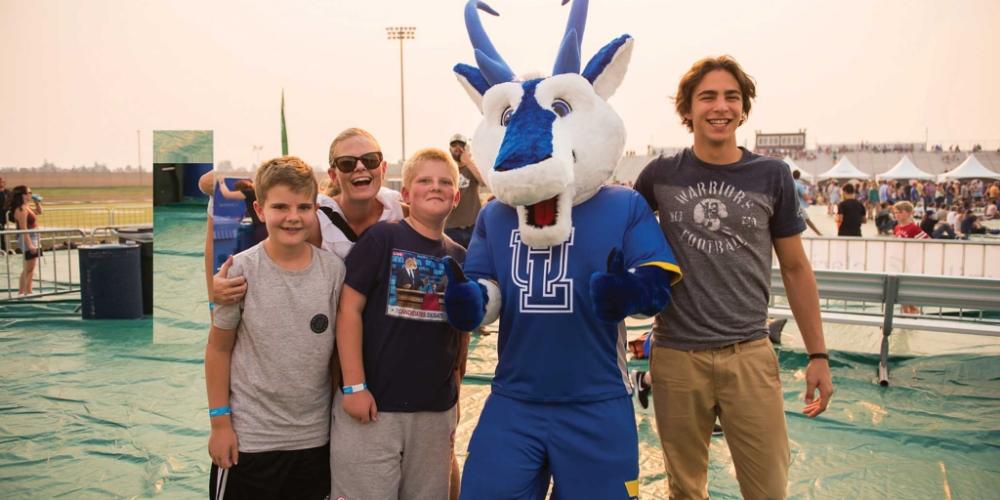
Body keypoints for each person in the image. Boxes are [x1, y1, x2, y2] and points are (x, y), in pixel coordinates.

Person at [634, 55, 833, 499]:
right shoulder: (660, 176)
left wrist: (818, 354)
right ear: (687, 109)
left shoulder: (772, 175)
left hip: (749, 354)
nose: (719, 106)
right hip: (677, 356)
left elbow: (796, 269)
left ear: (744, 109)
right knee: (685, 490)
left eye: (731, 97)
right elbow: (620, 237)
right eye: (707, 97)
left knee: (767, 488)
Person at [330, 148, 468, 500]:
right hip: (375, 408)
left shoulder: (458, 256)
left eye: (444, 182)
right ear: (405, 194)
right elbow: (348, 311)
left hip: (433, 414)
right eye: (424, 180)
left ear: (456, 196)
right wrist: (354, 386)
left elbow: (459, 333)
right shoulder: (382, 239)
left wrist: (454, 398)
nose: (434, 187)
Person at [205, 156, 344, 500]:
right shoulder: (240, 270)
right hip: (252, 440)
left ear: (315, 209)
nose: (293, 217)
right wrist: (220, 423)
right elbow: (218, 349)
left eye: (303, 207)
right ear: (260, 209)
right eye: (281, 206)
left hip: (315, 441)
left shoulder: (333, 272)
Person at [443, 133, 486, 249]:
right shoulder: (446, 169)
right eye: (454, 145)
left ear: (466, 148)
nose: (457, 147)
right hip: (451, 227)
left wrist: (468, 161)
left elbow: (483, 182)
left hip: (473, 226)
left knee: (474, 263)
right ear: (449, 149)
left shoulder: (472, 167)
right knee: (452, 264)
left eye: (461, 144)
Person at [9, 185, 44, 295]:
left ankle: (28, 291)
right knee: (28, 268)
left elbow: (39, 212)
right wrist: (30, 245)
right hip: (28, 238)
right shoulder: (21, 209)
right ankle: (21, 292)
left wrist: (37, 202)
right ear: (21, 195)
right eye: (28, 193)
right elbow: (24, 229)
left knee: (31, 267)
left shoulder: (26, 206)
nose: (30, 195)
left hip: (33, 237)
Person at [218, 178, 268, 247]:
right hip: (264, 225)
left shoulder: (248, 192)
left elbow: (227, 194)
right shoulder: (256, 193)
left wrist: (221, 182)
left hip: (261, 227)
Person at [792, 170, 822, 235]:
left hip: (788, 206)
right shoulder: (799, 185)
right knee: (806, 219)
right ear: (799, 176)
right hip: (798, 206)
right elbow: (805, 196)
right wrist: (812, 199)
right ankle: (818, 233)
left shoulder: (789, 183)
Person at [0, 175, 10, 254]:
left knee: (3, 236)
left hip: (4, 218)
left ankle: (4, 251)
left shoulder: (7, 192)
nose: (2, 182)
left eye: (3, 181)